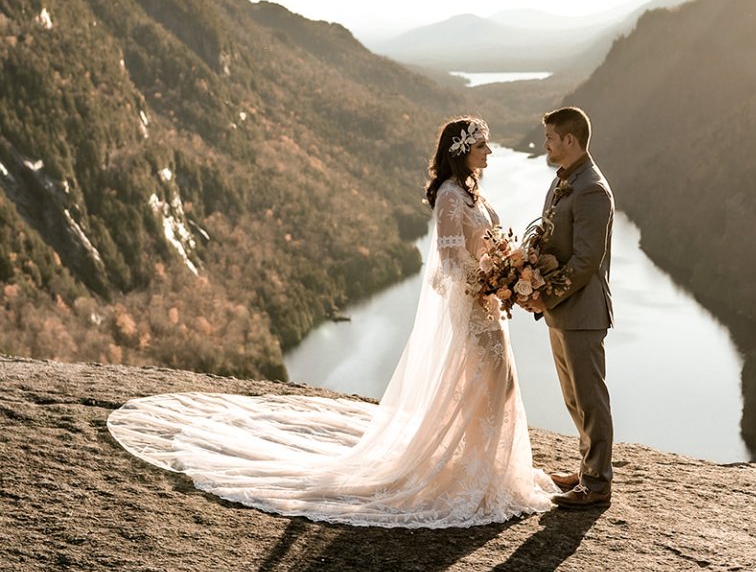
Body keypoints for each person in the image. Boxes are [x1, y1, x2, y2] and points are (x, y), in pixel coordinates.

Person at [107, 117, 555, 528]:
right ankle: (473, 474)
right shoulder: (451, 196)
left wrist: (507, 271)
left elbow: (484, 245)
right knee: (489, 382)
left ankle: (485, 468)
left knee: (495, 386)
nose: (490, 153)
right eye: (483, 146)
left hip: (490, 306)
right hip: (473, 307)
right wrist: (491, 279)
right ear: (463, 149)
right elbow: (448, 264)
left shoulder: (474, 190)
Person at [519, 106, 615, 509]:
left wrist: (544, 294)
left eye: (551, 139)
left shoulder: (591, 188)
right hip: (563, 313)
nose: (546, 145)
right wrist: (526, 265)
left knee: (590, 398)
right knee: (573, 398)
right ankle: (586, 468)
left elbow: (585, 261)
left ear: (570, 141)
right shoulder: (565, 181)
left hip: (582, 311)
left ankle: (597, 483)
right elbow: (552, 239)